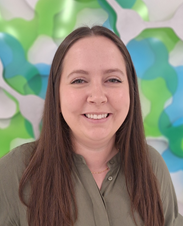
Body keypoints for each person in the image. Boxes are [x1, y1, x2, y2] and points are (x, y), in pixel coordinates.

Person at [0, 26, 182, 226]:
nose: (97, 97)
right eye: (79, 80)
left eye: (113, 79)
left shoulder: (152, 166)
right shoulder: (14, 172)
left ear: (130, 91)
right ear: (57, 96)